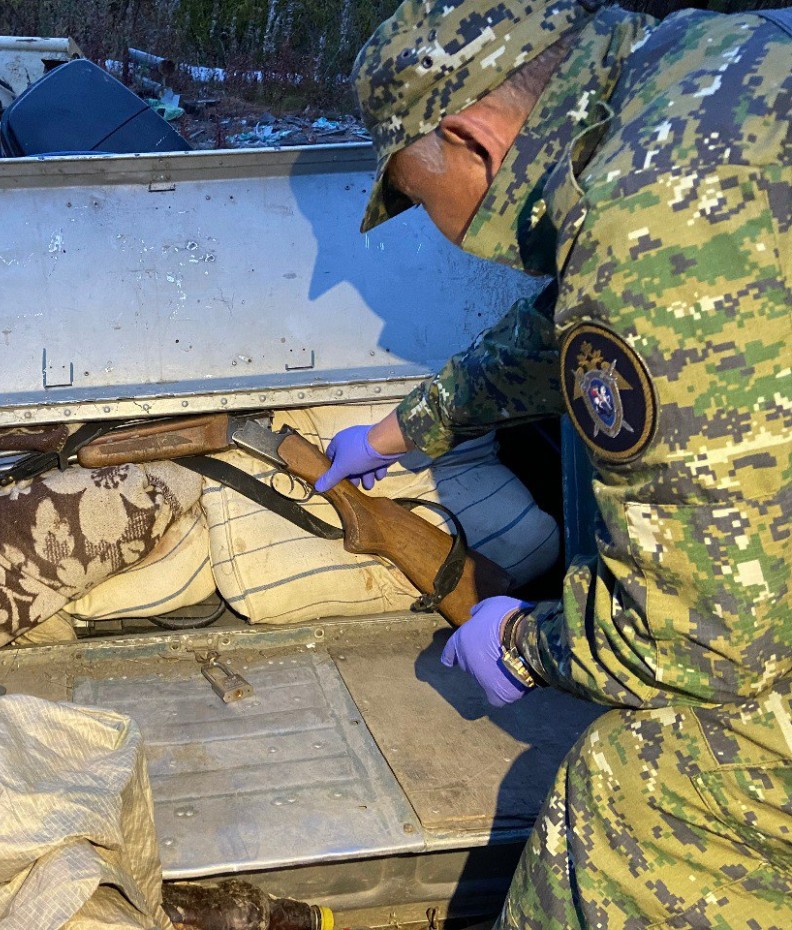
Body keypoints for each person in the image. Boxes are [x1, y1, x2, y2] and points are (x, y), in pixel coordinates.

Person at [312, 0, 792, 925]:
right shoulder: (700, 66)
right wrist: (398, 433)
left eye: (414, 194)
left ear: (470, 139)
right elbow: (568, 322)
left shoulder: (649, 237)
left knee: (628, 798)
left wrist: (523, 644)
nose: (430, 223)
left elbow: (691, 644)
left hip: (725, 634)